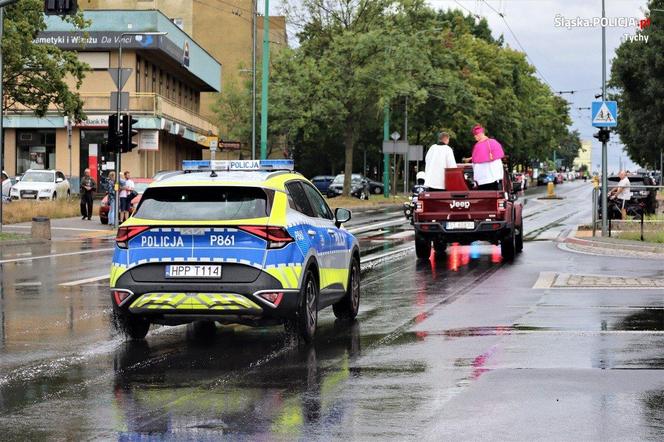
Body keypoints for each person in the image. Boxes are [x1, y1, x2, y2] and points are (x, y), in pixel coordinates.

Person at [463, 125, 505, 190]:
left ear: (479, 134)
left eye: (475, 135)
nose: (474, 137)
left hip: (483, 181)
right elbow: (499, 163)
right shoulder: (495, 143)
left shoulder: (478, 146)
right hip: (495, 179)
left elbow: (475, 164)